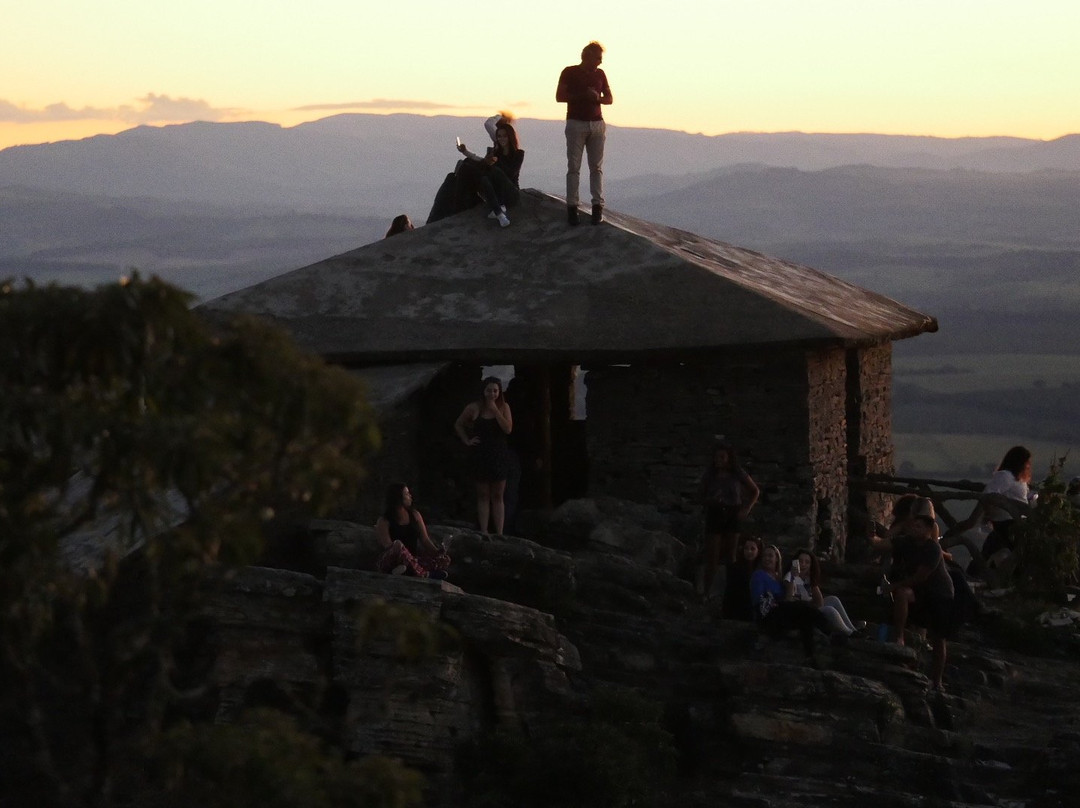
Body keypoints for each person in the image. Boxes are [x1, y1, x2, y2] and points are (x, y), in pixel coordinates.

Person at [886, 497, 956, 691]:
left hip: (937, 593)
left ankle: (934, 679)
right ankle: (906, 654)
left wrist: (892, 585)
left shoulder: (931, 545)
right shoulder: (907, 538)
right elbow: (886, 544)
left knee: (936, 637)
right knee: (915, 623)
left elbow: (921, 575)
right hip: (921, 591)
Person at [750, 544, 844, 663]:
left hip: (781, 612)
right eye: (764, 556)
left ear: (777, 558)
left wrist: (794, 580)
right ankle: (829, 631)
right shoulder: (759, 575)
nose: (767, 559)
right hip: (768, 614)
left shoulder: (778, 578)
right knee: (803, 607)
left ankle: (809, 656)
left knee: (805, 617)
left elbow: (789, 598)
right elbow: (759, 600)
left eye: (770, 556)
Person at [556, 41, 613, 226]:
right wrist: (583, 96)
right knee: (574, 166)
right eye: (598, 58)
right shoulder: (569, 72)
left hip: (597, 124)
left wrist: (597, 98)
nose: (600, 62)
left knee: (596, 167)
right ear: (587, 56)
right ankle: (572, 207)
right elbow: (560, 96)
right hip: (576, 123)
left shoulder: (601, 74)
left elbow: (610, 99)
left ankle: (597, 207)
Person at [698, 440, 759, 598]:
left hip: (733, 514)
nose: (718, 460)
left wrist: (746, 509)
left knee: (731, 556)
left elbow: (755, 491)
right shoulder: (709, 475)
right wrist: (711, 500)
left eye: (722, 457)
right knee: (712, 556)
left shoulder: (737, 474)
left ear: (729, 458)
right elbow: (700, 495)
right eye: (716, 457)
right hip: (715, 513)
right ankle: (706, 593)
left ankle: (730, 594)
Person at [454, 376, 513, 534]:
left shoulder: (504, 407)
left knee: (498, 495)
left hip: (498, 455)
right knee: (483, 494)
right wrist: (467, 440)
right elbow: (458, 424)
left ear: (499, 392)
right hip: (480, 455)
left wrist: (495, 411)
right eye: (489, 390)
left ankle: (499, 532)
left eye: (495, 391)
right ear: (483, 391)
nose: (492, 394)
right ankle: (484, 531)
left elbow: (508, 429)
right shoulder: (474, 408)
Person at [457, 113, 525, 228]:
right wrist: (465, 152)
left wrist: (496, 162)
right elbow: (481, 161)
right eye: (499, 136)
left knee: (493, 171)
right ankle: (499, 214)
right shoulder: (496, 152)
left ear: (510, 136)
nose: (501, 138)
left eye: (504, 136)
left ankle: (500, 206)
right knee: (482, 176)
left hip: (511, 192)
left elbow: (511, 173)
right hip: (497, 191)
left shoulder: (518, 154)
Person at [374, 483, 451, 579]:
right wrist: (404, 554)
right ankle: (424, 574)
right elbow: (388, 546)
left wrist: (438, 554)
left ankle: (407, 570)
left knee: (435, 561)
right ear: (398, 497)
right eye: (407, 494)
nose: (410, 496)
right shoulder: (384, 520)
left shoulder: (415, 515)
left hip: (412, 560)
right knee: (397, 545)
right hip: (392, 561)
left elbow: (425, 540)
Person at [784, 548, 863, 636]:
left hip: (811, 607)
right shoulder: (789, 576)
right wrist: (793, 577)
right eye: (800, 561)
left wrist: (813, 582)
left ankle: (854, 629)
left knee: (833, 599)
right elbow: (788, 600)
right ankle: (849, 633)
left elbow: (820, 602)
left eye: (807, 562)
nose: (803, 564)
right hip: (801, 612)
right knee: (829, 610)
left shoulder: (807, 579)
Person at [721, 536, 762, 621]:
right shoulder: (735, 568)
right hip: (737, 609)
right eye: (746, 548)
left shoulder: (760, 570)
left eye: (752, 549)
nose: (749, 551)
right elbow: (730, 592)